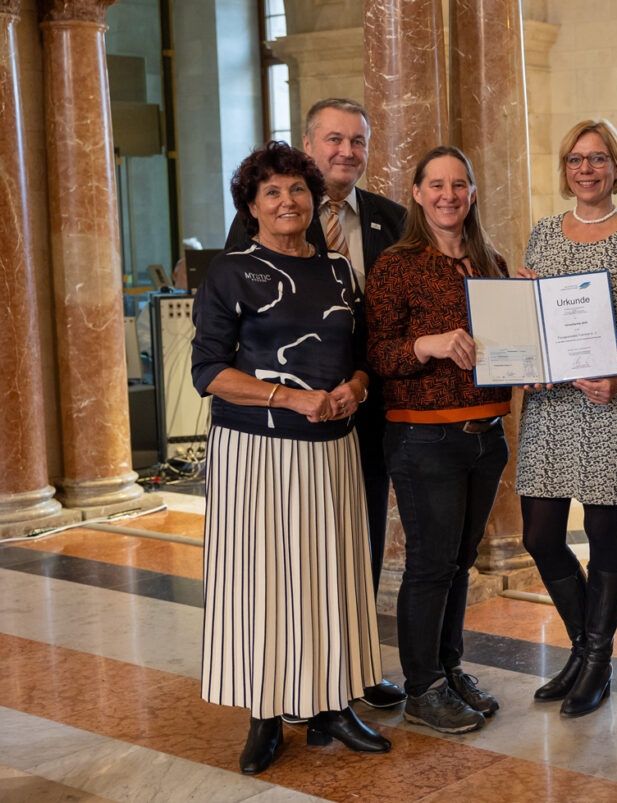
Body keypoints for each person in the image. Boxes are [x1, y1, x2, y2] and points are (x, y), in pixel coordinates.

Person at [193, 141, 391, 775]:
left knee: (333, 573)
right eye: (272, 192)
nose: (287, 201)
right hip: (255, 451)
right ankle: (266, 715)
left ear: (314, 199)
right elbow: (209, 372)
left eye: (298, 190)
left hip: (332, 450)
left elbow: (362, 354)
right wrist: (290, 398)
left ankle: (333, 706)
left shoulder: (339, 271)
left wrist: (355, 389)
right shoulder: (229, 272)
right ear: (251, 205)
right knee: (264, 582)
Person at [226, 98, 407, 712]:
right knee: (285, 559)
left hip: (365, 409)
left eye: (357, 141)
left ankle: (353, 670)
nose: (346, 152)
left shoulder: (390, 218)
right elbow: (228, 339)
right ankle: (283, 688)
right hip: (273, 430)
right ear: (309, 143)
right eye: (334, 139)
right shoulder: (258, 226)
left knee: (359, 544)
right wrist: (287, 399)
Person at [518, 119, 617, 718]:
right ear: (565, 169)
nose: (586, 169)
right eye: (576, 159)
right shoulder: (543, 235)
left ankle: (596, 659)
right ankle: (588, 650)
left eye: (598, 159)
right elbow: (532, 320)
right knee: (540, 536)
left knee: (604, 532)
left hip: (611, 402)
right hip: (551, 404)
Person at [365, 146, 511, 735]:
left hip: (487, 434)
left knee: (460, 563)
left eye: (459, 185)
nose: (448, 195)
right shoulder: (397, 266)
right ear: (419, 194)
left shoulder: (492, 261)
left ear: (472, 194)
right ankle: (421, 685)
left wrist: (532, 313)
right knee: (429, 565)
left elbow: (512, 345)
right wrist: (427, 344)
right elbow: (377, 354)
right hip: (425, 438)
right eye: (436, 185)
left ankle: (449, 670)